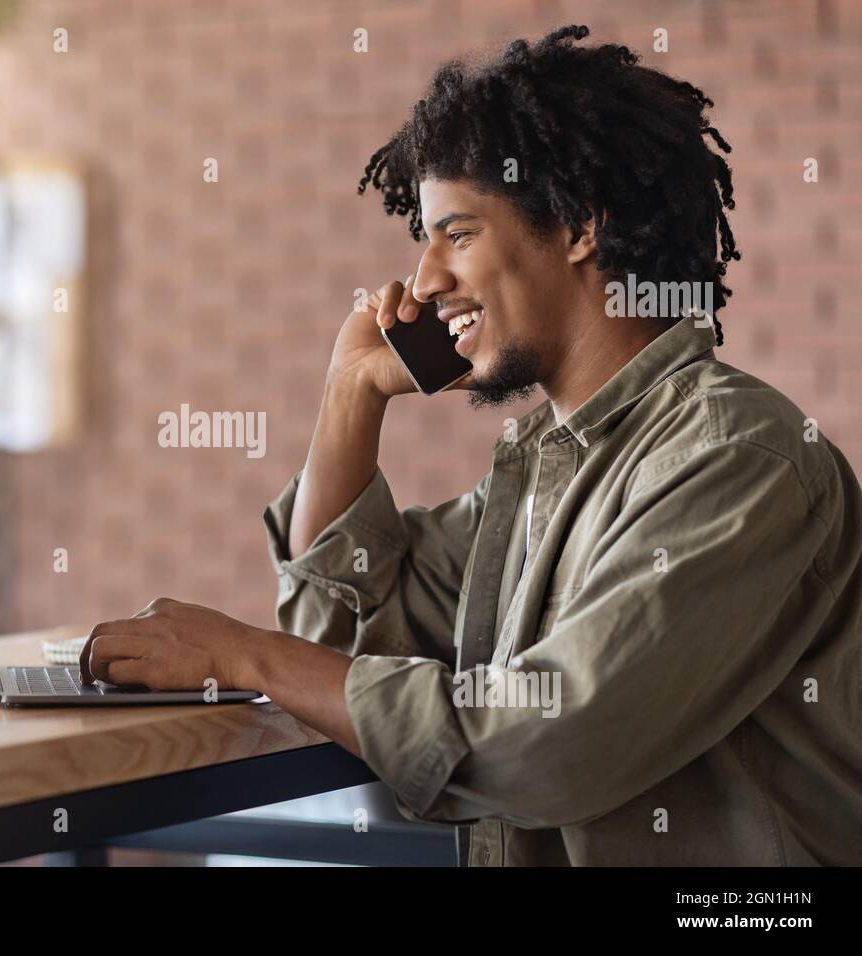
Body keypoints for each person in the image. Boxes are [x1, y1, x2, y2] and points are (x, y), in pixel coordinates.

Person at [80, 25, 862, 865]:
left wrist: (240, 653)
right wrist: (352, 392)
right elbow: (342, 627)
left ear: (576, 228)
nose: (422, 281)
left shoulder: (740, 461)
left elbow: (546, 744)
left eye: (456, 234)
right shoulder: (548, 472)